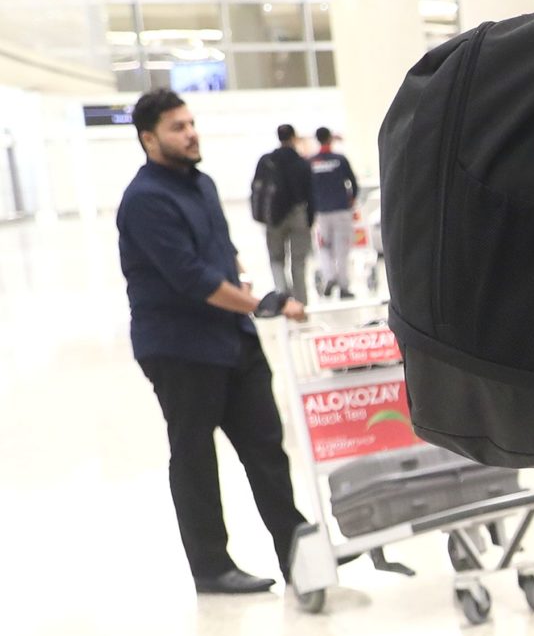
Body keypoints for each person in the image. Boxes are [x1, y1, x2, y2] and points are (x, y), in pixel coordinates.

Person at [114, 88, 310, 595]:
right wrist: (262, 303)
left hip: (232, 339)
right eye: (177, 127)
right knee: (196, 456)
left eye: (191, 123)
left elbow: (221, 252)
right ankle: (211, 567)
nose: (191, 133)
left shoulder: (201, 185)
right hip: (181, 349)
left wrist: (240, 276)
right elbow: (191, 278)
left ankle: (299, 554)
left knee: (266, 448)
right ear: (149, 139)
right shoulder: (145, 200)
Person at [250, 122, 315, 301]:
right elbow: (311, 193)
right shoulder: (301, 162)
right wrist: (309, 219)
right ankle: (301, 303)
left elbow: (257, 188)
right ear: (293, 137)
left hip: (273, 216)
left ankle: (283, 299)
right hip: (298, 214)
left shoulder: (266, 161)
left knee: (276, 259)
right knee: (298, 262)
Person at [308, 126, 360, 299]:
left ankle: (330, 277)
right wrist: (351, 199)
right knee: (342, 249)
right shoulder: (340, 159)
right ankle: (344, 286)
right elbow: (353, 183)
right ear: (330, 138)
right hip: (341, 210)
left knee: (324, 247)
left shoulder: (311, 162)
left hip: (322, 213)